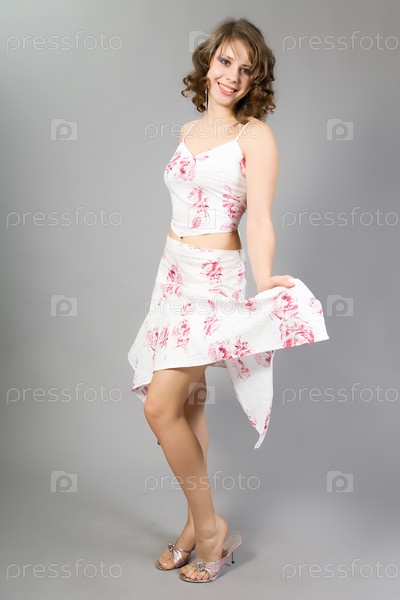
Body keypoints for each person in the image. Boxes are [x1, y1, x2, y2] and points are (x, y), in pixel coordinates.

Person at [127, 17, 329, 582]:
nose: (231, 76)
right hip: (172, 275)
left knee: (159, 408)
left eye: (245, 70)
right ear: (208, 62)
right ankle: (196, 525)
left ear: (254, 81)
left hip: (213, 282)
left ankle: (212, 530)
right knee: (187, 406)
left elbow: (259, 218)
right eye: (224, 62)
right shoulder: (188, 131)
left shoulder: (256, 137)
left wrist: (264, 281)